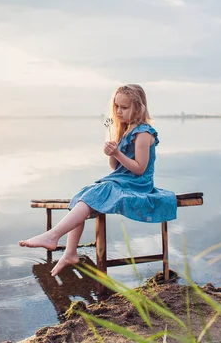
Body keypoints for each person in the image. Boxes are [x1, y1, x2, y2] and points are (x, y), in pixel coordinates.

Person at [19, 84, 177, 276]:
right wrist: (112, 153)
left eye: (124, 107)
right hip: (121, 180)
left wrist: (118, 153)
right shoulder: (125, 130)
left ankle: (53, 236)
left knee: (98, 192)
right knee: (84, 194)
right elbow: (115, 167)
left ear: (139, 107)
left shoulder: (143, 134)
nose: (119, 111)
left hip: (139, 184)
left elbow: (139, 169)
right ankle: (70, 252)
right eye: (117, 106)